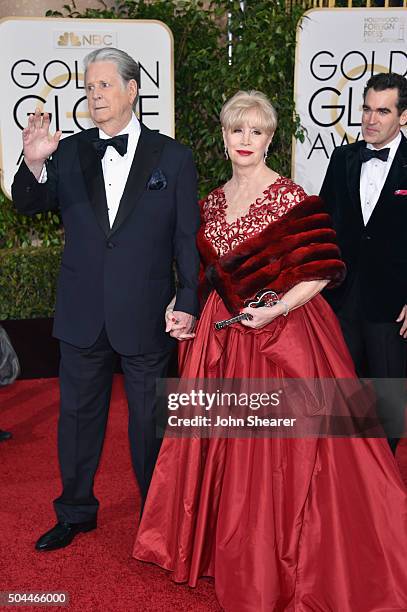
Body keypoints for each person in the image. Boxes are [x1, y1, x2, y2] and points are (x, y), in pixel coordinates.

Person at [133, 91, 407, 612]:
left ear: (270, 139)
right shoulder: (210, 201)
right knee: (220, 446)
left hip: (282, 336)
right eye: (238, 129)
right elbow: (202, 274)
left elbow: (323, 269)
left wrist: (277, 309)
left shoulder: (292, 197)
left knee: (284, 453)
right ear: (224, 135)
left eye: (257, 131)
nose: (246, 140)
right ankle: (221, 547)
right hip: (221, 337)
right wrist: (182, 303)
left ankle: (274, 557)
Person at [11, 47, 200, 551]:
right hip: (82, 312)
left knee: (148, 425)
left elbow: (187, 239)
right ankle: (74, 512)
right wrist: (33, 163)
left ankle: (155, 517)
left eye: (104, 86)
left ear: (132, 89)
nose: (94, 95)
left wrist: (187, 300)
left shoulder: (174, 158)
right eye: (89, 87)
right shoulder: (68, 152)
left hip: (146, 311)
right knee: (75, 418)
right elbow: (28, 205)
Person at [320, 72, 407, 451]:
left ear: (403, 116)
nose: (371, 119)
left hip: (392, 304)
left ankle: (382, 485)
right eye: (366, 109)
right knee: (339, 396)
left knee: (389, 399)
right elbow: (321, 225)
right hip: (340, 299)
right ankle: (344, 482)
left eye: (383, 111)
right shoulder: (342, 158)